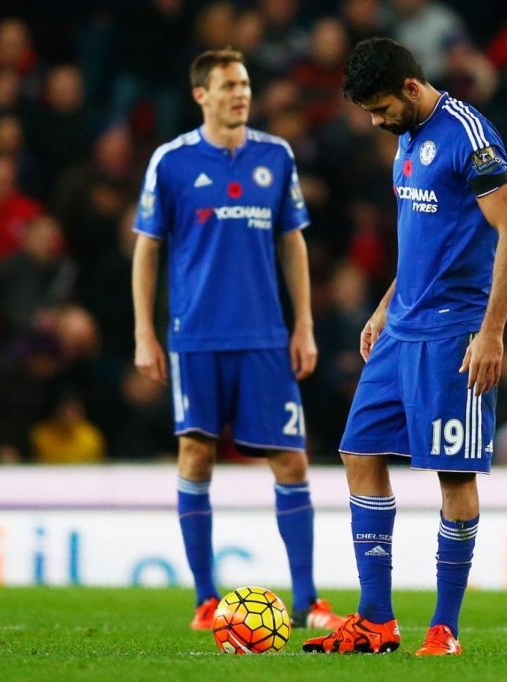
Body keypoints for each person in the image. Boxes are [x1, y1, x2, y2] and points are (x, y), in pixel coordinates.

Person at [303, 38, 507, 657]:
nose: (376, 123)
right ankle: (376, 619)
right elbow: (423, 242)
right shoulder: (404, 140)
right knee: (359, 453)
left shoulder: (468, 135)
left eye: (380, 109)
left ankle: (445, 628)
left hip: (456, 333)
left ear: (409, 87)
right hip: (401, 329)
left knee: (452, 474)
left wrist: (492, 331)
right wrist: (382, 307)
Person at [132, 48, 343, 632]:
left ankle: (307, 601)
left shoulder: (275, 157)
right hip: (196, 336)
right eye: (228, 85)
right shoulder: (170, 162)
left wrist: (303, 324)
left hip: (263, 337)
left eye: (245, 83)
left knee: (292, 460)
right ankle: (204, 599)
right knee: (196, 454)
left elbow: (292, 242)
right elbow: (148, 248)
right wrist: (144, 332)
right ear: (201, 94)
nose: (240, 93)